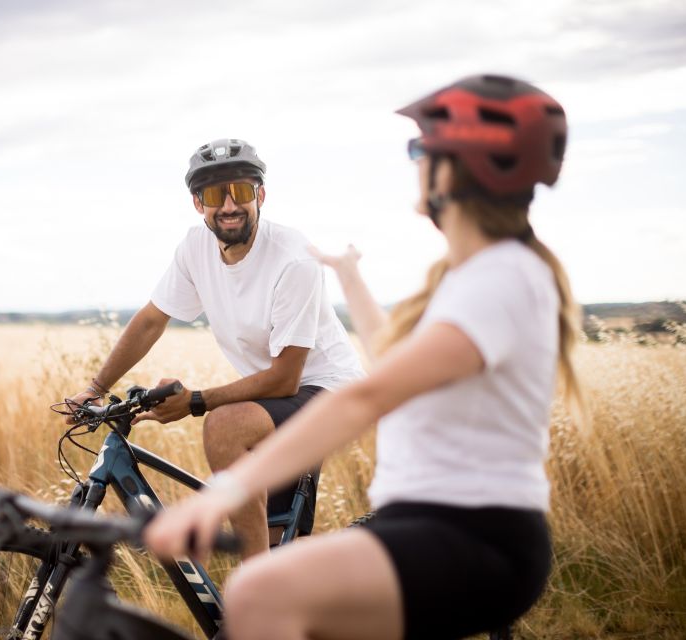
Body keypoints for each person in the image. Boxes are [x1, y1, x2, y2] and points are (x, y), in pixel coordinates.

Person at [145, 75, 585, 640]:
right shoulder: (473, 276)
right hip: (428, 522)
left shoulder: (501, 278)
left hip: (475, 537)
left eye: (421, 150)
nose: (416, 163)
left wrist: (227, 492)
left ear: (467, 168)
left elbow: (369, 394)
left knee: (260, 592)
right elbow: (394, 361)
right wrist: (349, 277)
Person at [67, 138, 365, 558]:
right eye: (213, 194)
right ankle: (286, 596)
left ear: (261, 195)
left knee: (224, 426)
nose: (229, 205)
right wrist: (96, 387)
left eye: (241, 191)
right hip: (276, 398)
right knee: (283, 546)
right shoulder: (196, 249)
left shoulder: (294, 260)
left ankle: (253, 595)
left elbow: (286, 378)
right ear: (197, 203)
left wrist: (196, 402)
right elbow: (153, 319)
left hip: (329, 391)